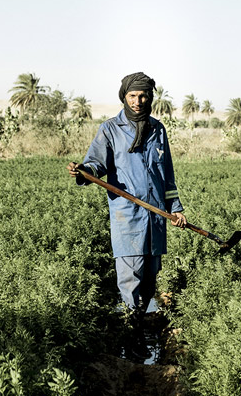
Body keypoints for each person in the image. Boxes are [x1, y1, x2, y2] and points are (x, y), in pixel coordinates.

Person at [67, 71, 186, 361]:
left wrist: (176, 208)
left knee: (150, 278)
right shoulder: (110, 129)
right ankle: (131, 338)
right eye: (132, 95)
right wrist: (86, 171)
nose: (138, 100)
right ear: (124, 97)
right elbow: (96, 163)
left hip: (156, 217)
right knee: (130, 278)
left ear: (150, 98)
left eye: (143, 95)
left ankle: (139, 325)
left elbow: (167, 174)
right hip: (127, 215)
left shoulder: (158, 130)